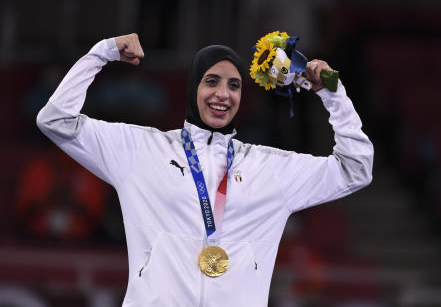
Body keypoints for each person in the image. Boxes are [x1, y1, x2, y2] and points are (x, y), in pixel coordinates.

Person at [37, 33, 373, 306]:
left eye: (234, 85)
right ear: (193, 87)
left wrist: (333, 95)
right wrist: (103, 53)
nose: (222, 95)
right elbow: (56, 121)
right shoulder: (140, 150)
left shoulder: (269, 167)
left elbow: (356, 169)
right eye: (211, 81)